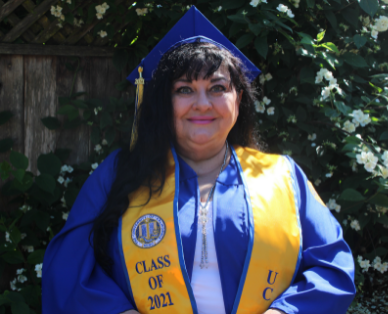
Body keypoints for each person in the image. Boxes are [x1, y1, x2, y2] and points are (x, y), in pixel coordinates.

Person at [42, 6, 356, 314]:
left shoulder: (282, 177)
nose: (202, 104)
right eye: (185, 90)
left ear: (239, 99)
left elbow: (333, 267)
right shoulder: (120, 172)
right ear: (164, 102)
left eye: (218, 88)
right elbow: (69, 268)